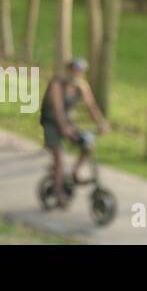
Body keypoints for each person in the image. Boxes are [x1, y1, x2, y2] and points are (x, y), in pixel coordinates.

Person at [39, 58, 110, 208]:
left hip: (68, 122)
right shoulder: (57, 84)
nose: (77, 74)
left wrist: (101, 124)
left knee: (88, 145)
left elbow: (91, 106)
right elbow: (57, 110)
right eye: (75, 70)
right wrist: (64, 128)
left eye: (80, 71)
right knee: (59, 158)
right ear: (69, 70)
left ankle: (74, 172)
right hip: (51, 123)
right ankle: (58, 195)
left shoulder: (82, 86)